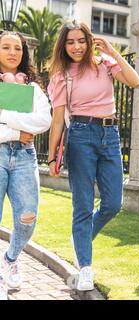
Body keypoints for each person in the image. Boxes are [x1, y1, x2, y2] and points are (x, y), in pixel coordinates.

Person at [47, 20, 139, 291]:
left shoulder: (103, 63)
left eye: (81, 41)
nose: (76, 47)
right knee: (83, 205)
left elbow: (135, 81)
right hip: (80, 135)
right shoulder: (62, 75)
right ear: (63, 45)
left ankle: (82, 238)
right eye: (70, 42)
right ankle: (85, 268)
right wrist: (52, 158)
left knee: (113, 203)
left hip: (110, 136)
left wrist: (112, 50)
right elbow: (56, 122)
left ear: (89, 42)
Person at [0, 31, 52, 300]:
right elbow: (29, 125)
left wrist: (5, 119)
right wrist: (17, 131)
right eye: (6, 47)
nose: (12, 52)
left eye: (17, 48)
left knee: (28, 217)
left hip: (24, 157)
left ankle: (10, 258)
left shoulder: (32, 87)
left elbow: (44, 121)